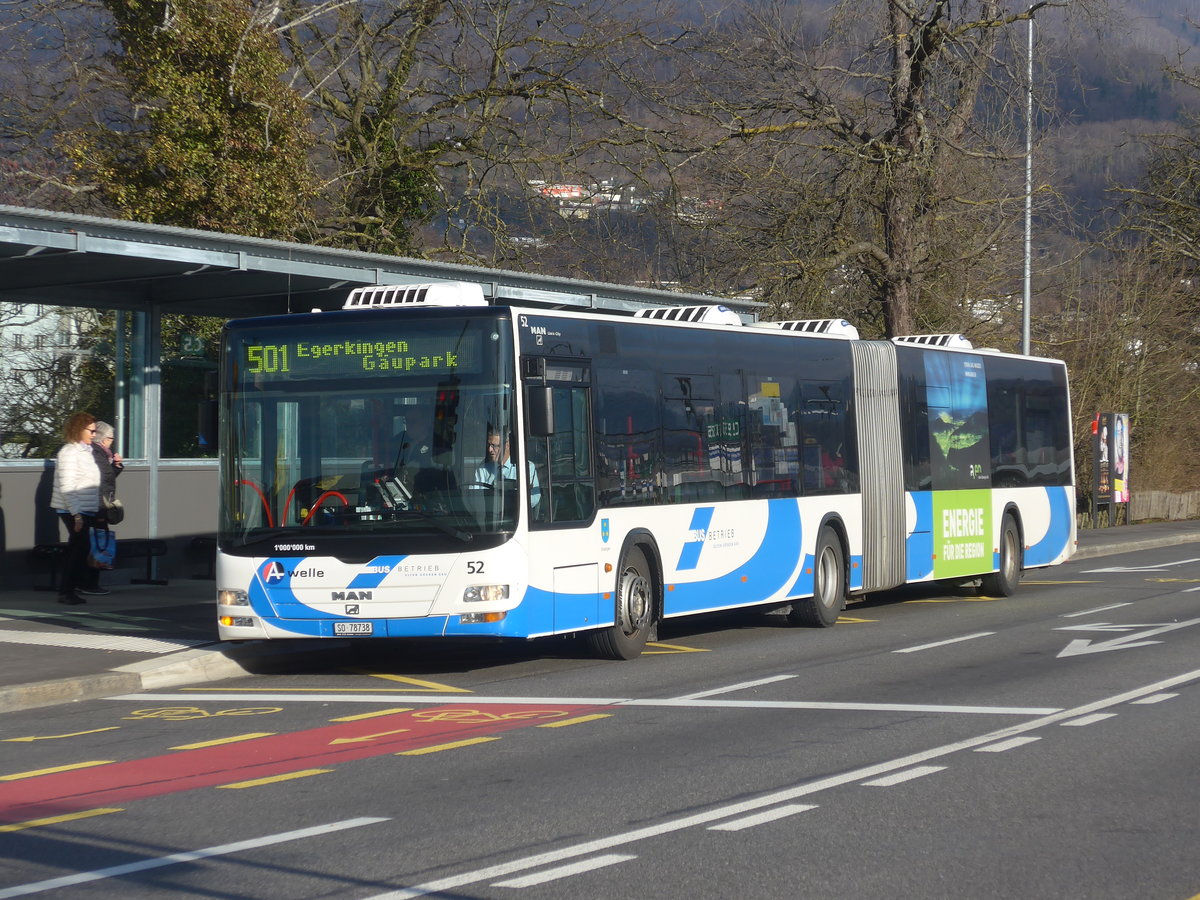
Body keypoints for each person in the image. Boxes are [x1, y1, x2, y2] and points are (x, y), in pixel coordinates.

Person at [50, 412, 102, 605]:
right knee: (78, 548)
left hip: (85, 508)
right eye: (91, 430)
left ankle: (70, 588)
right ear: (79, 429)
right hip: (73, 509)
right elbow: (68, 486)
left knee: (81, 548)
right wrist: (77, 514)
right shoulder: (69, 453)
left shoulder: (85, 452)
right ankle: (66, 591)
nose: (94, 434)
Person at [79, 421, 124, 596]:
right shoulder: (96, 454)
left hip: (99, 503)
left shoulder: (103, 454)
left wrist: (116, 466)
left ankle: (88, 582)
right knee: (96, 544)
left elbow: (107, 479)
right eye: (111, 438)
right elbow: (99, 483)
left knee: (94, 543)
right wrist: (100, 511)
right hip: (97, 505)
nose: (112, 441)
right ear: (104, 439)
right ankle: (89, 583)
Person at [471, 429, 541, 510]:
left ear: (507, 445)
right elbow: (475, 499)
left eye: (494, 445)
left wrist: (511, 501)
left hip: (517, 516)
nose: (489, 449)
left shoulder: (525, 467)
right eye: (489, 445)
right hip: (489, 517)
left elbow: (534, 497)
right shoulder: (482, 470)